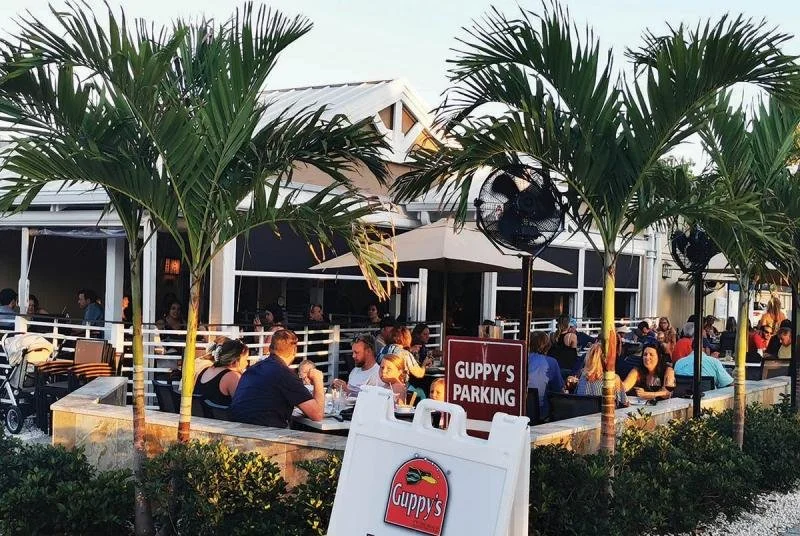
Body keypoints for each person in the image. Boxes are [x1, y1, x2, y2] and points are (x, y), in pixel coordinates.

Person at [231, 329, 324, 427]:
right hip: (264, 433)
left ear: (270, 348)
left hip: (238, 428)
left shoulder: (253, 369)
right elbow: (317, 414)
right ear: (294, 351)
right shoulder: (285, 374)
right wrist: (318, 379)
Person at [194, 338, 249, 406]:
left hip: (201, 416)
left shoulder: (206, 370)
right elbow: (244, 405)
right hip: (220, 416)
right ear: (236, 360)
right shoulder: (232, 376)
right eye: (245, 359)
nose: (247, 363)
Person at [527, 331, 564, 421]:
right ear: (547, 346)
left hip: (521, 411)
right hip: (542, 413)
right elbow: (558, 390)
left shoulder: (521, 359)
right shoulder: (551, 362)